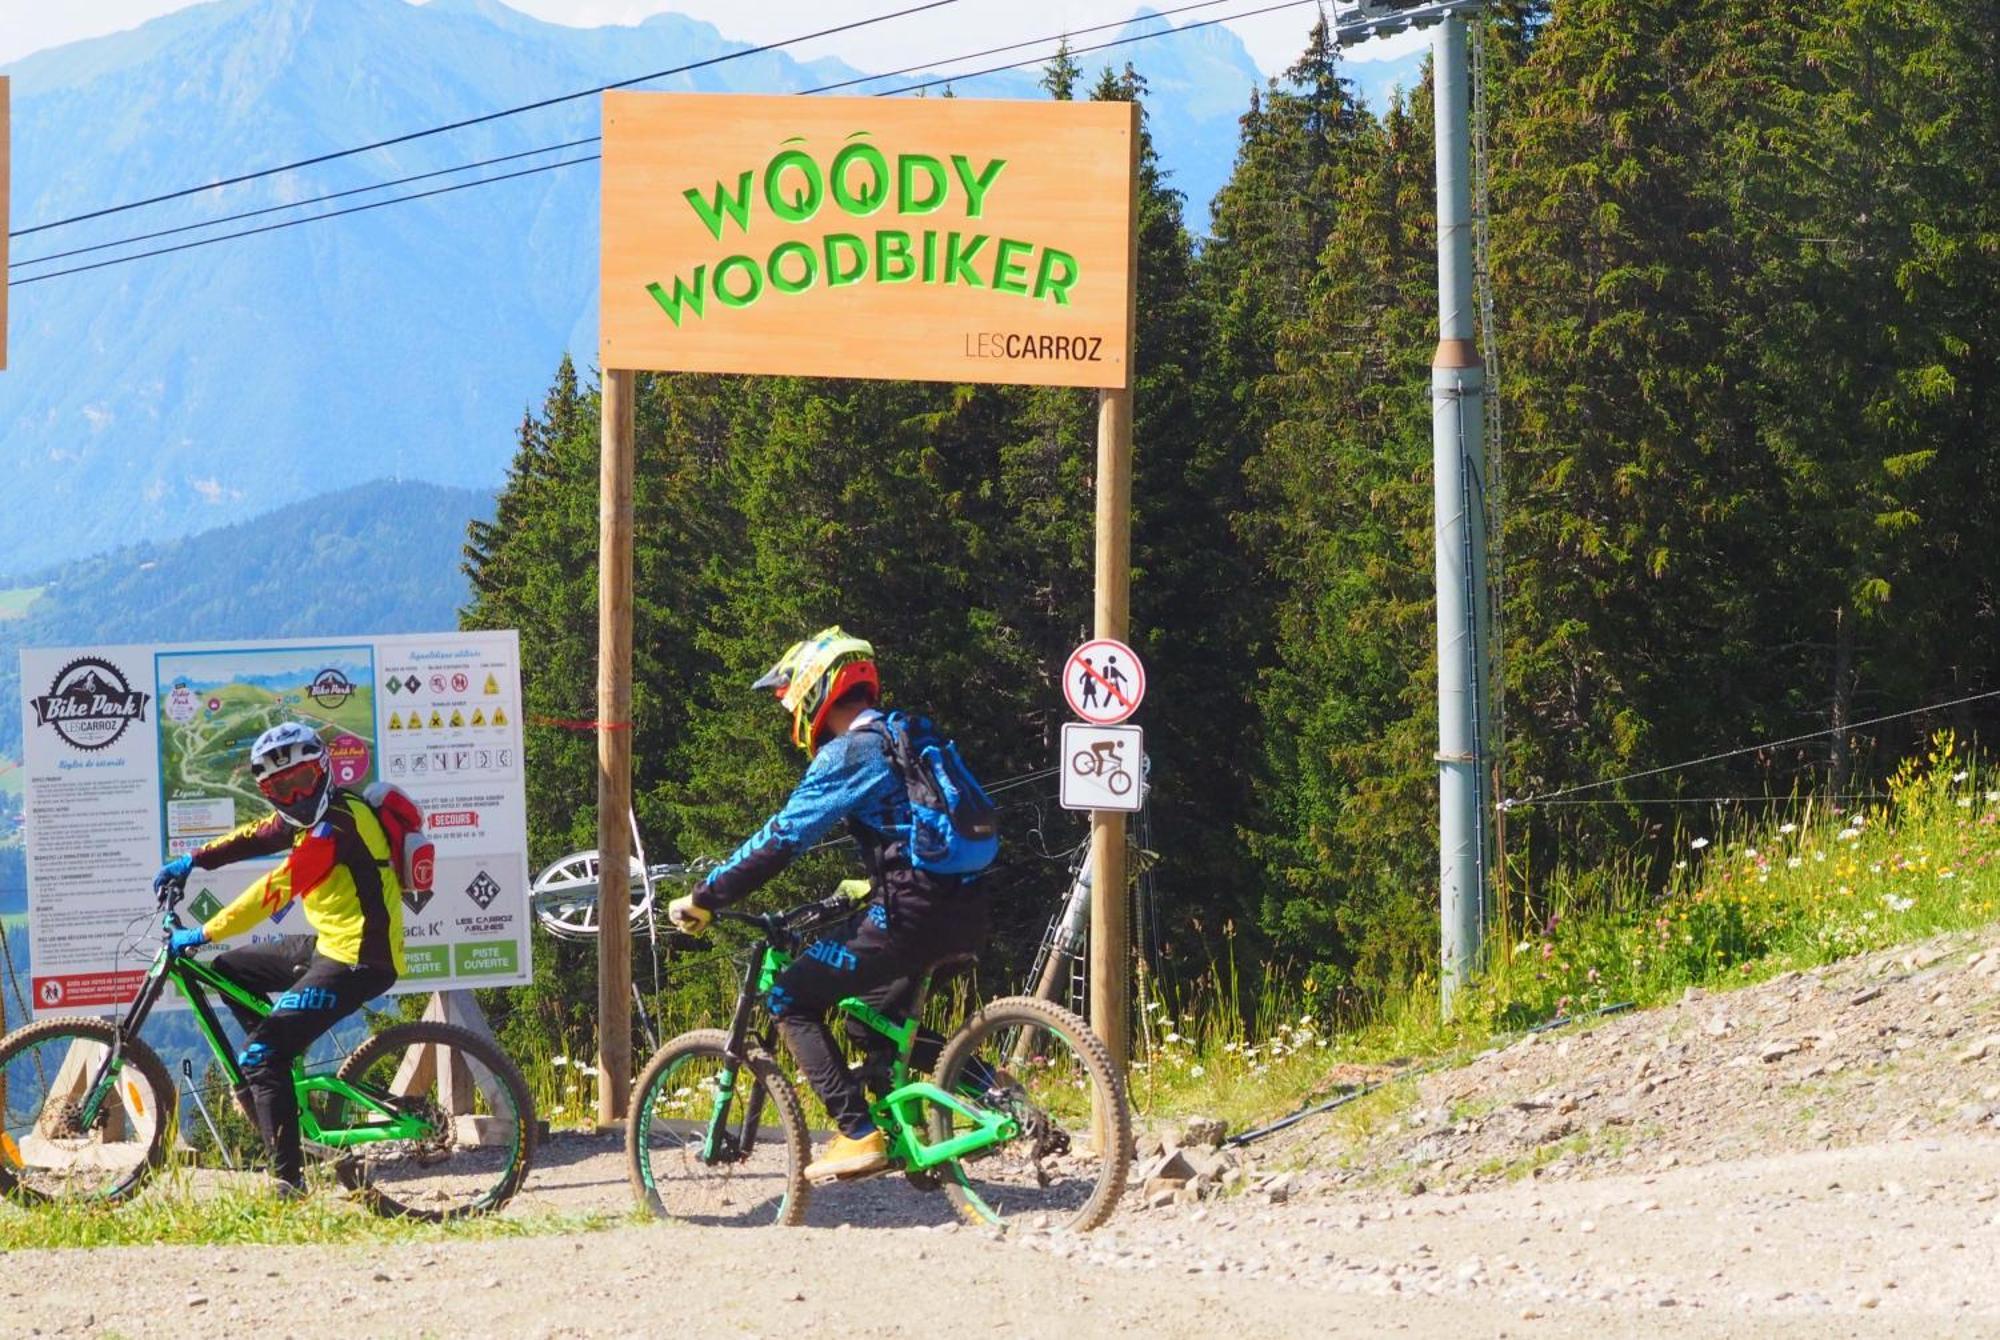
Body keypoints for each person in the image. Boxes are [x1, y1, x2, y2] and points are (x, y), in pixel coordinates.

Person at [668, 627, 989, 1181]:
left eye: (790, 699)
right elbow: (915, 829)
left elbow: (781, 838)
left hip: (911, 913)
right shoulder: (907, 734)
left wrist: (706, 896)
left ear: (816, 693)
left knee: (789, 996)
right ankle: (995, 1097)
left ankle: (858, 1134)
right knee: (873, 1018)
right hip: (969, 904)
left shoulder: (851, 751)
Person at [151, 720, 404, 1195]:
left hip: (359, 959)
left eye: (303, 781)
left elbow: (274, 890)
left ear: (323, 770)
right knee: (230, 970)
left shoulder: (336, 828)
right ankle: (277, 1068)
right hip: (333, 943)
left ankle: (288, 1182)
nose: (296, 797)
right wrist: (193, 861)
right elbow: (255, 836)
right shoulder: (310, 816)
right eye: (280, 790)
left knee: (259, 1058)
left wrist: (204, 931)